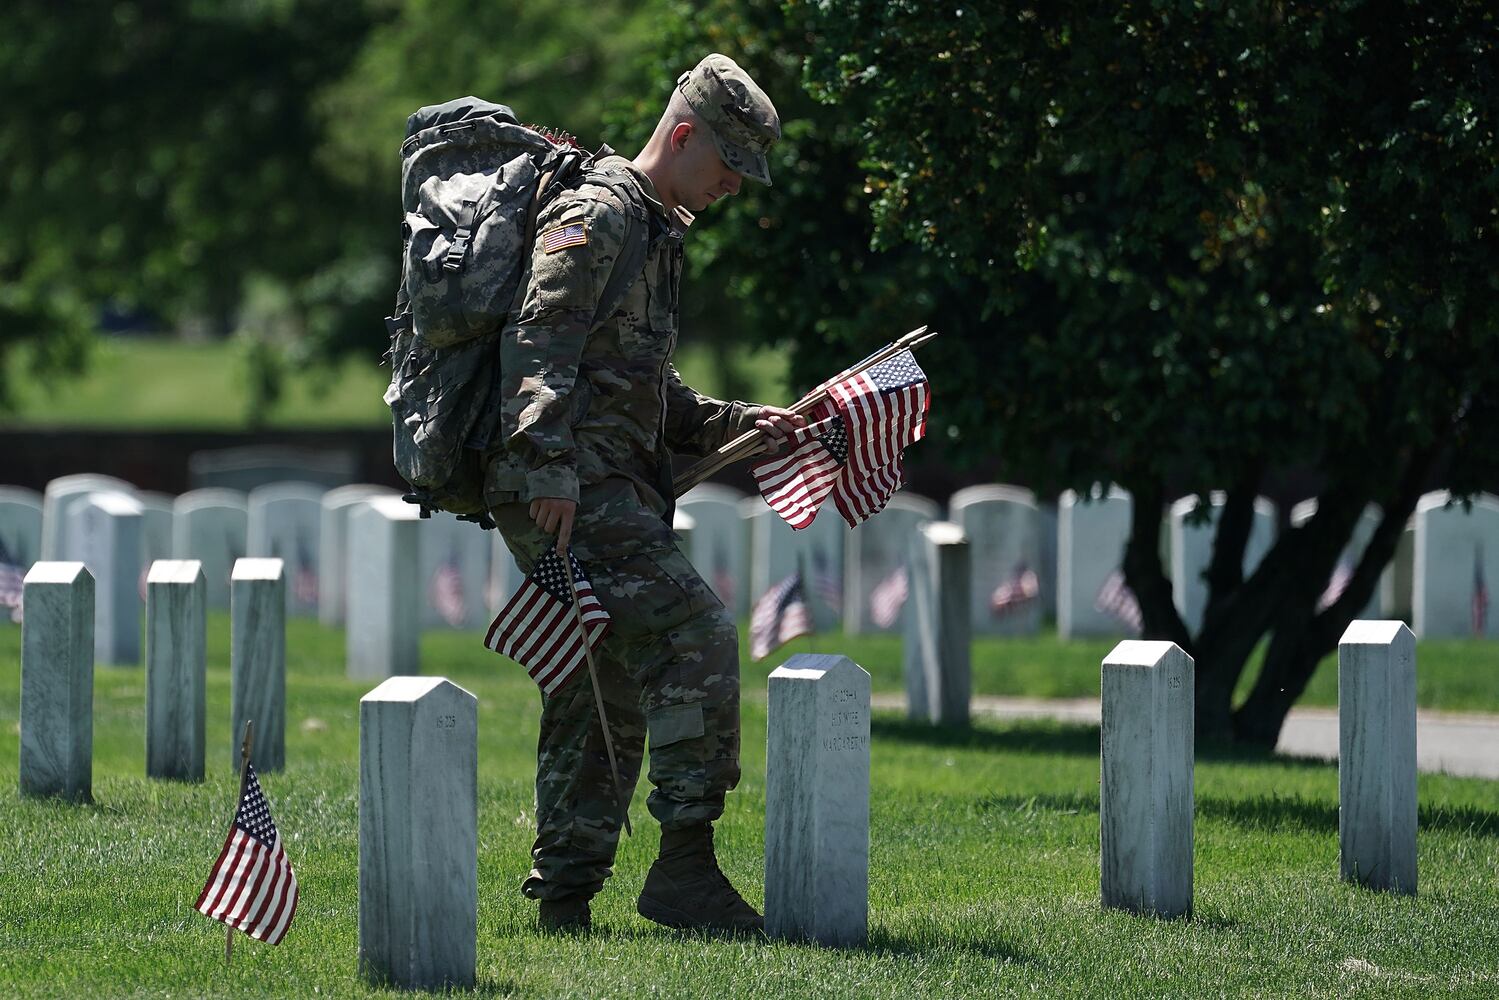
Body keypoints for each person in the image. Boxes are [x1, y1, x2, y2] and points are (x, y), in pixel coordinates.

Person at [482, 53, 802, 933]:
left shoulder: (656, 229)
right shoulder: (600, 211)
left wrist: (735, 421)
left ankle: (565, 897)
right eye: (728, 163)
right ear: (686, 132)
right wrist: (547, 465)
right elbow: (537, 337)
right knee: (691, 629)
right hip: (567, 484)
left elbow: (635, 379)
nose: (735, 186)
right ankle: (686, 867)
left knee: (602, 683)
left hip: (602, 478)